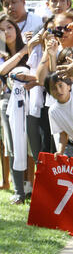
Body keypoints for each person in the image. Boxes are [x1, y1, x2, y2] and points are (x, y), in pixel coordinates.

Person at [0, 14, 30, 204]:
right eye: (1, 30)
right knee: (12, 146)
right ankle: (18, 191)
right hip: (7, 102)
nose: (6, 32)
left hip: (33, 99)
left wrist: (28, 48)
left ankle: (33, 187)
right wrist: (23, 51)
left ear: (16, 29)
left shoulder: (30, 48)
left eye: (9, 28)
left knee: (33, 147)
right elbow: (2, 71)